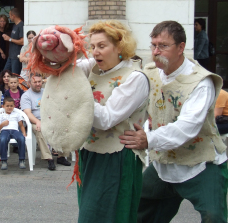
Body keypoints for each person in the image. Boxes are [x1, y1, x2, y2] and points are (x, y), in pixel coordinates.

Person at [119, 20, 227, 223]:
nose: (156, 51)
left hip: (201, 163)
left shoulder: (201, 82)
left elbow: (187, 127)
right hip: (164, 163)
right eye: (154, 45)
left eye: (163, 46)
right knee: (137, 210)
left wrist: (148, 140)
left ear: (181, 47)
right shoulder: (149, 73)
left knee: (214, 217)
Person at [70, 20, 149, 222]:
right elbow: (64, 69)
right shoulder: (93, 67)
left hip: (117, 158)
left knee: (106, 217)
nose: (95, 52)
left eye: (102, 46)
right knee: (91, 214)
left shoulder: (135, 78)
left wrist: (79, 92)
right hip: (89, 153)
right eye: (93, 46)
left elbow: (107, 119)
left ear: (120, 47)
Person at [21, 74, 71, 171]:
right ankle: (49, 158)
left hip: (49, 120)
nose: (38, 84)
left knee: (63, 126)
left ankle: (61, 156)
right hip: (34, 121)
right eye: (35, 82)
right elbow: (27, 113)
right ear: (29, 83)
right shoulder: (26, 96)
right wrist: (37, 121)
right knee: (39, 130)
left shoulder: (46, 92)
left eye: (39, 81)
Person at [0, 97, 27, 170]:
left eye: (11, 106)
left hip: (15, 131)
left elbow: (21, 125)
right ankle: (4, 161)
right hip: (5, 131)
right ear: (3, 106)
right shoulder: (1, 115)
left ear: (14, 106)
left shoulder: (16, 114)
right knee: (3, 139)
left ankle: (21, 160)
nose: (9, 107)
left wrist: (24, 133)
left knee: (22, 139)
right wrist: (3, 124)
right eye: (7, 106)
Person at [2, 8, 24, 74]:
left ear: (13, 16)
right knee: (4, 74)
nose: (9, 17)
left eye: (10, 15)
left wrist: (10, 39)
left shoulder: (21, 25)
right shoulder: (15, 25)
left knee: (15, 75)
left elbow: (22, 41)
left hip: (16, 56)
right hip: (11, 56)